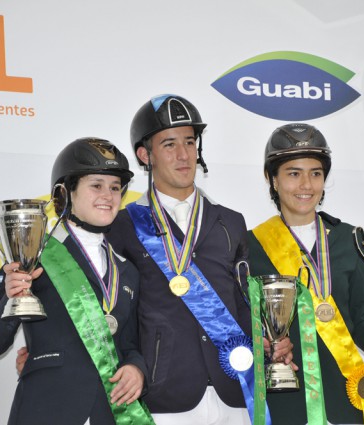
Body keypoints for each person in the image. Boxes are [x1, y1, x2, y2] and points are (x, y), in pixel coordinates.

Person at [108, 94, 290, 425]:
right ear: (144, 155)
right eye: (169, 144)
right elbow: (112, 309)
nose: (183, 155)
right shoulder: (123, 226)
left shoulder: (231, 222)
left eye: (190, 142)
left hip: (236, 388)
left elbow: (243, 299)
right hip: (165, 395)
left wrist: (266, 337)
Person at [0, 138, 154, 425]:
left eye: (114, 187)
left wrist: (137, 369)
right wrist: (12, 298)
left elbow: (130, 344)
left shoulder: (127, 270)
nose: (108, 195)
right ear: (66, 192)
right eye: (96, 185)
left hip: (108, 414)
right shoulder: (34, 255)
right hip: (45, 409)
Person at [247, 123, 364, 425]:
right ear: (272, 179)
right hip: (286, 401)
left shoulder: (350, 239)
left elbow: (362, 320)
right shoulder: (251, 246)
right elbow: (248, 325)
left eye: (316, 173)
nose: (306, 185)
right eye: (294, 173)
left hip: (345, 396)